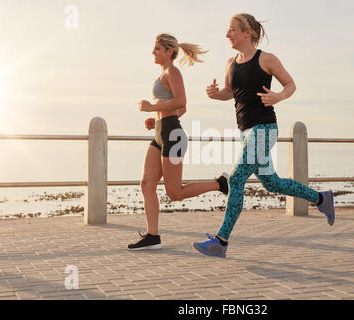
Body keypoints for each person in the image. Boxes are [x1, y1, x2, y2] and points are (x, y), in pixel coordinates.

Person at [192, 14, 335, 258]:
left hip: (264, 129)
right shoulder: (231, 62)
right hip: (245, 130)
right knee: (273, 183)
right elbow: (230, 92)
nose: (227, 35)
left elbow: (290, 84)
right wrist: (216, 94)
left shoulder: (266, 59)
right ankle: (321, 199)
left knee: (236, 180)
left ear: (247, 33)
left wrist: (278, 96)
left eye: (232, 30)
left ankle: (221, 242)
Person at [128, 33, 229, 250]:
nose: (153, 52)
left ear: (169, 51)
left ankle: (220, 184)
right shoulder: (163, 73)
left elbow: (182, 101)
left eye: (157, 49)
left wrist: (153, 108)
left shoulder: (173, 71)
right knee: (147, 184)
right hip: (161, 133)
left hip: (172, 136)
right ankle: (152, 237)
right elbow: (178, 108)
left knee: (174, 193)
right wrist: (154, 119)